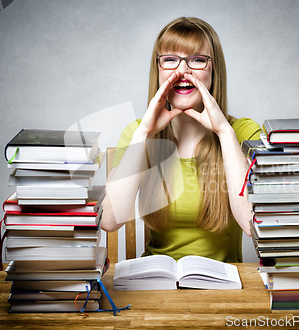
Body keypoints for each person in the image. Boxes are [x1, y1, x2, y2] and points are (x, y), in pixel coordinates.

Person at [100, 17, 261, 262]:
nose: (182, 71)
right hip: (156, 284)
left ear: (213, 70)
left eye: (197, 60)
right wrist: (144, 134)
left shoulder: (243, 132)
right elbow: (109, 220)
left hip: (224, 290)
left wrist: (224, 132)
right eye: (170, 60)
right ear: (158, 70)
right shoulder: (137, 133)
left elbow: (253, 224)